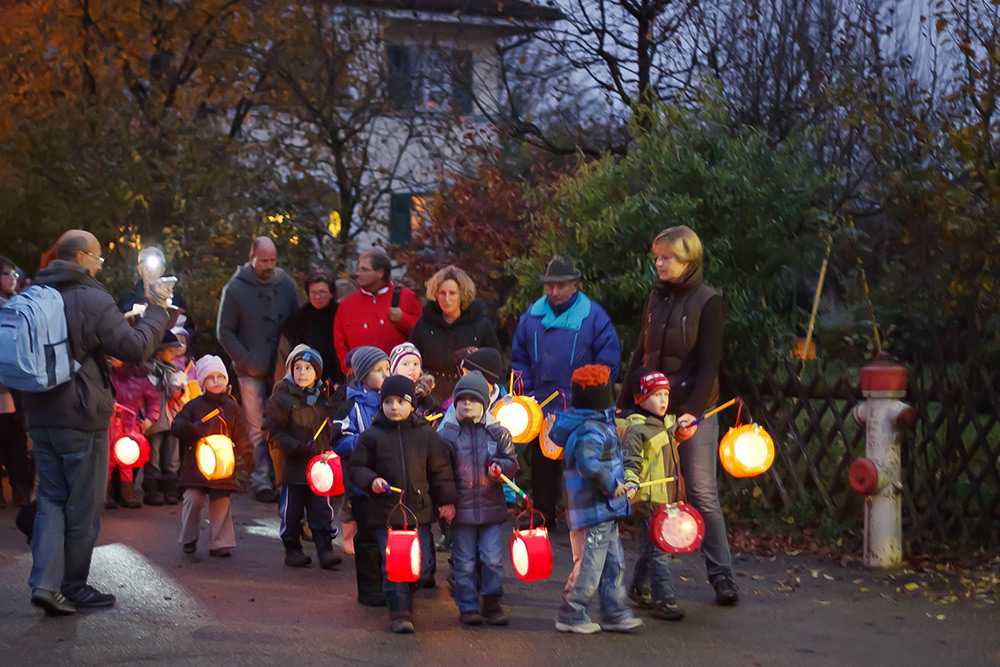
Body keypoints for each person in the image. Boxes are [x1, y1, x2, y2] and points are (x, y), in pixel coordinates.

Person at [21, 230, 171, 616]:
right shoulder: (92, 297)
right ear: (83, 257)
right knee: (84, 506)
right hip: (82, 414)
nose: (100, 266)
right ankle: (72, 585)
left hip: (40, 412)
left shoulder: (33, 293)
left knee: (51, 499)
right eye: (99, 259)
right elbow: (135, 348)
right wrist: (157, 308)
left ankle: (45, 584)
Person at [616, 225, 739, 606]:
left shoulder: (709, 301)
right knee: (656, 494)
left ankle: (722, 576)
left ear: (688, 260)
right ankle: (647, 581)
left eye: (666, 257)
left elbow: (708, 364)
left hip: (689, 410)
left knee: (701, 493)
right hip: (650, 409)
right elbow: (642, 353)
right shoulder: (655, 299)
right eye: (657, 257)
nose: (659, 263)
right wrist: (623, 403)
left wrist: (692, 413)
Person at [510, 254, 621, 527]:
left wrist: (591, 397)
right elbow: (519, 357)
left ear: (575, 284)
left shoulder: (594, 317)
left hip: (581, 406)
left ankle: (583, 517)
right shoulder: (532, 316)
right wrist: (525, 393)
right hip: (541, 403)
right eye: (549, 285)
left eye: (560, 285)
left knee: (581, 461)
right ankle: (543, 514)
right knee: (542, 464)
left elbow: (608, 362)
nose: (553, 291)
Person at [346, 375, 457, 634]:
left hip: (419, 511)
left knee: (424, 564)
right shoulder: (372, 436)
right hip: (386, 513)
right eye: (388, 401)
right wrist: (371, 480)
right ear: (381, 404)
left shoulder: (426, 435)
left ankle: (409, 590)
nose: (394, 407)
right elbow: (356, 467)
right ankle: (399, 610)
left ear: (412, 404)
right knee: (394, 564)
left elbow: (440, 471)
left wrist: (447, 502)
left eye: (400, 401)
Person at [546, 365, 642, 634]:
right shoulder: (592, 429)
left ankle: (614, 610)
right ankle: (571, 612)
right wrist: (612, 485)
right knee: (590, 563)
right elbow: (589, 465)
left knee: (614, 561)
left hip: (606, 508)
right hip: (593, 509)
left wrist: (622, 487)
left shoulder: (601, 424)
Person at [217, 237, 300, 503]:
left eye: (273, 260)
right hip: (249, 370)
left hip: (281, 367)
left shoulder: (285, 284)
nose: (269, 266)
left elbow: (296, 322)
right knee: (257, 427)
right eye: (264, 260)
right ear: (252, 256)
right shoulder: (235, 289)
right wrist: (246, 359)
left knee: (283, 423)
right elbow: (224, 331)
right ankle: (261, 479)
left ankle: (283, 476)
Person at [439, 372, 517, 626]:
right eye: (462, 399)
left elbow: (511, 462)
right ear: (455, 403)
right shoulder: (447, 434)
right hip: (461, 510)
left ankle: (492, 602)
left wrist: (500, 467)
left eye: (474, 399)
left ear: (484, 403)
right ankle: (468, 605)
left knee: (492, 557)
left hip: (490, 508)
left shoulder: (497, 432)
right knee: (463, 560)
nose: (467, 404)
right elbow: (441, 471)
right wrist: (445, 502)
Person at [620, 369, 694, 621]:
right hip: (649, 499)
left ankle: (639, 588)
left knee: (650, 546)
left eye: (665, 394)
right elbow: (630, 461)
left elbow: (674, 438)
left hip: (669, 497)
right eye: (656, 395)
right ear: (640, 399)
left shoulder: (667, 424)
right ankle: (664, 598)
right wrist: (631, 482)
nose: (663, 400)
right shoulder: (637, 430)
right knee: (662, 548)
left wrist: (683, 429)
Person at [263, 345, 341, 569]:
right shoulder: (282, 397)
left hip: (319, 467)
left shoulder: (323, 398)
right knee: (292, 510)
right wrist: (295, 446)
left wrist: (328, 449)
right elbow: (271, 430)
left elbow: (329, 429)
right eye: (298, 367)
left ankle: (325, 549)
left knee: (322, 509)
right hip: (293, 466)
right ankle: (292, 548)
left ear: (317, 372)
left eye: (308, 368)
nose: (302, 373)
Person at [173, 355, 252, 558]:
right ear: (202, 382)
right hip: (196, 465)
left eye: (220, 377)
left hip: (222, 466)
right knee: (192, 499)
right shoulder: (192, 406)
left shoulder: (233, 408)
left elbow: (241, 435)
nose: (216, 381)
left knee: (221, 501)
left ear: (227, 380)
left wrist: (247, 454)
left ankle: (221, 542)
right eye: (211, 377)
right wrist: (188, 428)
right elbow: (177, 425)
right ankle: (189, 537)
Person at [331, 346, 391, 605]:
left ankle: (394, 584)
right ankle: (369, 589)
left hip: (390, 480)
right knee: (367, 538)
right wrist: (366, 444)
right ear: (364, 374)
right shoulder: (351, 404)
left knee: (390, 535)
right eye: (378, 370)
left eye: (387, 368)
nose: (385, 374)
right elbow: (339, 439)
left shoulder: (393, 400)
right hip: (362, 485)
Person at [409, 265, 499, 404]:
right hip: (430, 397)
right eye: (442, 293)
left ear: (462, 295)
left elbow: (494, 362)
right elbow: (412, 358)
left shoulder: (480, 324)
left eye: (452, 293)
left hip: (470, 395)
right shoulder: (424, 325)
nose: (447, 298)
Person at [332, 248, 421, 369]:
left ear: (380, 272)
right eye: (358, 269)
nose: (358, 273)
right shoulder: (346, 305)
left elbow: (423, 335)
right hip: (360, 379)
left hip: (397, 378)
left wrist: (403, 319)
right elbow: (340, 345)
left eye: (364, 270)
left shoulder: (406, 297)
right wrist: (350, 371)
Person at [275, 269, 343, 389]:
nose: (317, 296)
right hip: (305, 385)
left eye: (322, 292)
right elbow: (284, 356)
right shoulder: (296, 322)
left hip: (337, 383)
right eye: (313, 292)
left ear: (332, 293)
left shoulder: (343, 316)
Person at [0, 256, 32, 508]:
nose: (12, 278)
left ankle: (21, 488)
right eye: (6, 274)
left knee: (17, 440)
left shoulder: (19, 304)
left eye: (14, 274)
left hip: (17, 387)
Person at [142, 330, 188, 506]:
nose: (173, 354)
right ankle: (152, 485)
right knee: (153, 452)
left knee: (172, 453)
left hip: (172, 420)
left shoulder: (177, 371)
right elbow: (149, 392)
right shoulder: (150, 370)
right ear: (159, 351)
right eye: (170, 351)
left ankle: (171, 485)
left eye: (175, 351)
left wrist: (180, 392)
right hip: (155, 420)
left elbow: (183, 392)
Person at [107, 357, 159, 509]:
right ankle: (106, 494)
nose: (113, 359)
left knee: (127, 462)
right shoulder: (107, 375)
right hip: (110, 425)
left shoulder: (141, 379)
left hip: (130, 425)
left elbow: (153, 400)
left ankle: (127, 494)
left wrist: (149, 420)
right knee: (108, 462)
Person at [388, 343, 438, 416]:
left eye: (415, 364)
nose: (412, 368)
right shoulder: (388, 394)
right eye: (405, 364)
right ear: (394, 369)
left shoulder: (425, 395)